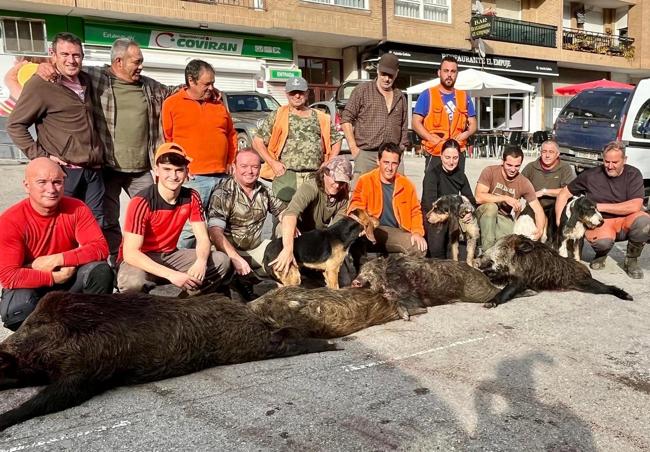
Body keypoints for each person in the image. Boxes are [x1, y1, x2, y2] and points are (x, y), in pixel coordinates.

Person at [0, 158, 113, 331]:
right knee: (17, 311)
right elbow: (9, 276)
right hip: (33, 285)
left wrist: (57, 259)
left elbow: (100, 247)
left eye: (57, 182)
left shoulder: (77, 208)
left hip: (68, 278)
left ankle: (88, 332)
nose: (51, 189)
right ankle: (34, 343)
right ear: (26, 185)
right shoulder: (10, 221)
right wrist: (52, 277)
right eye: (42, 182)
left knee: (100, 271)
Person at [7, 32, 105, 225]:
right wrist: (41, 158)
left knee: (97, 225)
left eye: (76, 55)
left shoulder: (87, 80)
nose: (71, 60)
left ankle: (94, 257)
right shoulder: (40, 84)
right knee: (63, 226)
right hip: (65, 173)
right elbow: (15, 125)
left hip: (94, 170)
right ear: (53, 55)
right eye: (65, 54)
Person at [117, 143, 231, 295]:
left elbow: (203, 238)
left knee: (221, 261)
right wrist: (171, 275)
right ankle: (140, 315)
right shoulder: (141, 201)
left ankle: (186, 306)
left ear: (187, 172)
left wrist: (201, 262)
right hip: (141, 258)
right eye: (167, 169)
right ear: (156, 170)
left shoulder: (192, 196)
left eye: (179, 170)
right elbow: (131, 253)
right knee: (133, 283)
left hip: (171, 254)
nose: (174, 176)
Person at [162, 59, 237, 248]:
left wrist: (231, 160)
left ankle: (220, 269)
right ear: (191, 81)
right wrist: (180, 170)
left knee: (221, 226)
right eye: (207, 83)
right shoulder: (172, 104)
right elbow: (168, 141)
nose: (211, 87)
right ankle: (177, 267)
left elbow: (231, 134)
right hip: (194, 179)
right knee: (188, 229)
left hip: (222, 176)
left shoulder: (219, 104)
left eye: (213, 82)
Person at [555, 141, 650, 278]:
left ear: (625, 159)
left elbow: (635, 206)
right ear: (602, 158)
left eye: (615, 162)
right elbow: (564, 193)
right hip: (602, 222)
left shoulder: (633, 174)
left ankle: (631, 260)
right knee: (602, 243)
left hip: (627, 221)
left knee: (645, 223)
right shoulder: (590, 175)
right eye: (607, 161)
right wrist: (560, 220)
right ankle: (601, 254)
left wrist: (599, 206)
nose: (610, 166)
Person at [207, 148, 286, 300]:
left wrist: (289, 226)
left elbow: (284, 212)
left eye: (254, 167)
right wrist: (235, 258)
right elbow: (215, 232)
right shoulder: (223, 193)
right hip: (227, 251)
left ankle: (284, 296)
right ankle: (232, 286)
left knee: (286, 230)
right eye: (244, 166)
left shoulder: (264, 191)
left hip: (255, 247)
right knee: (221, 264)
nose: (250, 171)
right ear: (234, 167)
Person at [253, 76, 342, 202]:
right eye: (293, 93)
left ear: (307, 93)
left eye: (300, 92)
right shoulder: (277, 115)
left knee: (313, 214)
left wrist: (329, 162)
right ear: (287, 94)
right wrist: (273, 163)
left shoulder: (321, 117)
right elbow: (258, 141)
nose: (297, 96)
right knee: (285, 214)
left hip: (314, 174)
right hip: (286, 175)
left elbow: (337, 140)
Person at [269, 156, 353, 276]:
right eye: (335, 180)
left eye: (342, 182)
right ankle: (284, 269)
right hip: (299, 234)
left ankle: (313, 270)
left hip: (318, 237)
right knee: (282, 229)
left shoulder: (343, 196)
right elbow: (290, 215)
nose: (337, 186)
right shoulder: (310, 187)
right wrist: (288, 249)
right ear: (325, 174)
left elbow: (335, 231)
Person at [341, 53, 409, 183]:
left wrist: (400, 151)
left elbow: (404, 127)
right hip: (367, 155)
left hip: (393, 155)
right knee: (361, 196)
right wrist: (354, 149)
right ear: (377, 70)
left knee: (397, 194)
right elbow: (346, 119)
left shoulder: (400, 96)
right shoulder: (362, 91)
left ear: (397, 73)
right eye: (383, 74)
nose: (386, 79)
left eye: (390, 75)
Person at [348, 143, 427, 255]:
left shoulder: (407, 185)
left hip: (396, 231)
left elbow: (415, 211)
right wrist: (363, 223)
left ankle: (405, 273)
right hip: (371, 228)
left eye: (394, 163)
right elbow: (356, 205)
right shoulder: (365, 180)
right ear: (378, 161)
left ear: (399, 164)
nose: (389, 168)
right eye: (386, 162)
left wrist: (417, 232)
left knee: (419, 247)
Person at [412, 55, 478, 173]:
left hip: (457, 153)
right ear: (439, 72)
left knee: (455, 190)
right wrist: (430, 138)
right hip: (435, 151)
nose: (449, 74)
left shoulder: (464, 97)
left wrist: (466, 134)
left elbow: (473, 124)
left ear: (457, 74)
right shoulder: (427, 95)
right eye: (446, 71)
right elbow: (415, 123)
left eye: (453, 71)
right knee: (432, 189)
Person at [475, 146, 545, 250]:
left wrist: (540, 230)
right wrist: (505, 198)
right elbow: (478, 197)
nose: (513, 169)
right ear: (502, 161)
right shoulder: (490, 171)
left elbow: (538, 210)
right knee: (491, 208)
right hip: (483, 212)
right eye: (509, 165)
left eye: (517, 166)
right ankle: (486, 253)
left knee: (508, 242)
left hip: (504, 216)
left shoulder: (524, 182)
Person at [421, 139, 476, 258]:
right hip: (436, 216)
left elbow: (470, 199)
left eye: (455, 158)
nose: (451, 162)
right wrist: (454, 214)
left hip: (454, 217)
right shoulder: (432, 175)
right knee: (438, 242)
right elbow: (429, 202)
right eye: (447, 157)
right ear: (441, 156)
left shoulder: (461, 175)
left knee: (461, 257)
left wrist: (468, 212)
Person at [521, 139, 575, 221]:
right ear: (540, 152)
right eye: (544, 151)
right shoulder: (531, 167)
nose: (547, 155)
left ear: (557, 154)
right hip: (533, 207)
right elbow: (519, 187)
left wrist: (544, 192)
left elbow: (569, 191)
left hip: (554, 209)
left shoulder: (565, 168)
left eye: (551, 152)